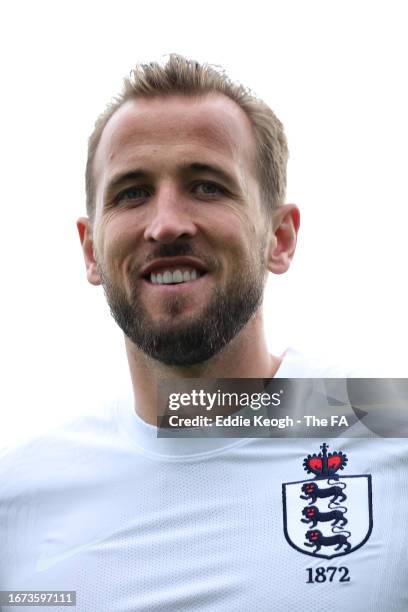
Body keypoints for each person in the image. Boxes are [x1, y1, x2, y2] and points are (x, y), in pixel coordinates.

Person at [0, 54, 407, 612]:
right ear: (90, 250)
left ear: (280, 238)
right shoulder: (18, 495)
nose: (166, 223)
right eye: (132, 193)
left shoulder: (390, 424)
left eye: (207, 186)